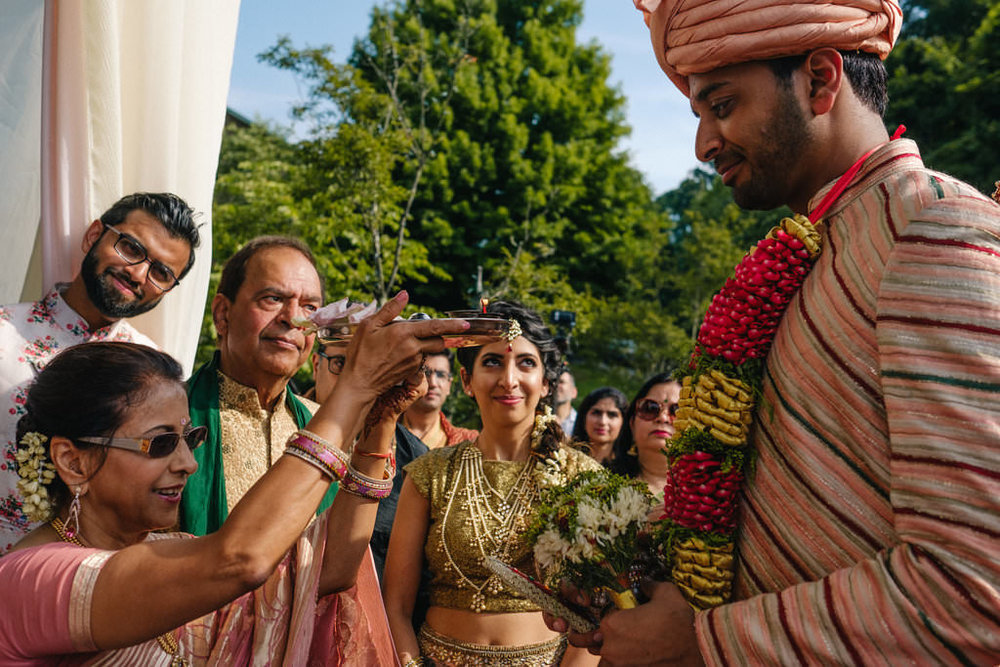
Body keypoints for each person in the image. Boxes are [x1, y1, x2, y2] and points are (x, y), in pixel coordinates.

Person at [545, 0, 1000, 663]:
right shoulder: (817, 244)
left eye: (722, 106)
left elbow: (974, 587)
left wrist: (704, 642)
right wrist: (635, 565)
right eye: (698, 115)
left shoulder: (934, 231)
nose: (702, 145)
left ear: (820, 79)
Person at [0, 295, 470, 663]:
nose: (188, 463)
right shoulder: (29, 579)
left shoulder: (168, 549)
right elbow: (239, 559)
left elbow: (326, 571)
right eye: (161, 442)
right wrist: (354, 387)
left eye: (190, 438)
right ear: (72, 460)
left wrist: (380, 421)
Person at [383, 301, 601, 666]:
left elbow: (595, 616)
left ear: (546, 383)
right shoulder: (428, 474)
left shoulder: (581, 478)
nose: (509, 379)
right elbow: (396, 605)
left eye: (526, 363)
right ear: (466, 381)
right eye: (492, 362)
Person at [0, 192, 200, 553]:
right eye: (131, 248)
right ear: (94, 236)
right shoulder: (3, 332)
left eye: (161, 273)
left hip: (92, 585)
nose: (138, 274)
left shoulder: (154, 370)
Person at [180, 236, 332, 536]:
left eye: (310, 307)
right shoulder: (167, 419)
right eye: (273, 299)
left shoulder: (323, 427)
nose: (294, 319)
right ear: (223, 314)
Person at [608, 374, 681, 514]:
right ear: (632, 424)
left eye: (677, 411)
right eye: (650, 408)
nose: (663, 418)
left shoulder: (712, 493)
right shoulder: (604, 488)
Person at [401, 349, 479, 449]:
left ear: (449, 385)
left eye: (441, 375)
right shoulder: (385, 432)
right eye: (425, 373)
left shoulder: (468, 442)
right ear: (409, 380)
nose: (433, 383)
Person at [571, 386, 628, 465]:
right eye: (596, 413)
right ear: (584, 417)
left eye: (612, 415)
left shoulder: (632, 469)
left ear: (624, 421)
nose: (603, 422)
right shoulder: (567, 460)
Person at [554, 368, 578, 434]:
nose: (556, 386)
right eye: (554, 382)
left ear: (574, 392)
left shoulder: (582, 422)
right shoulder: (539, 419)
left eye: (561, 382)